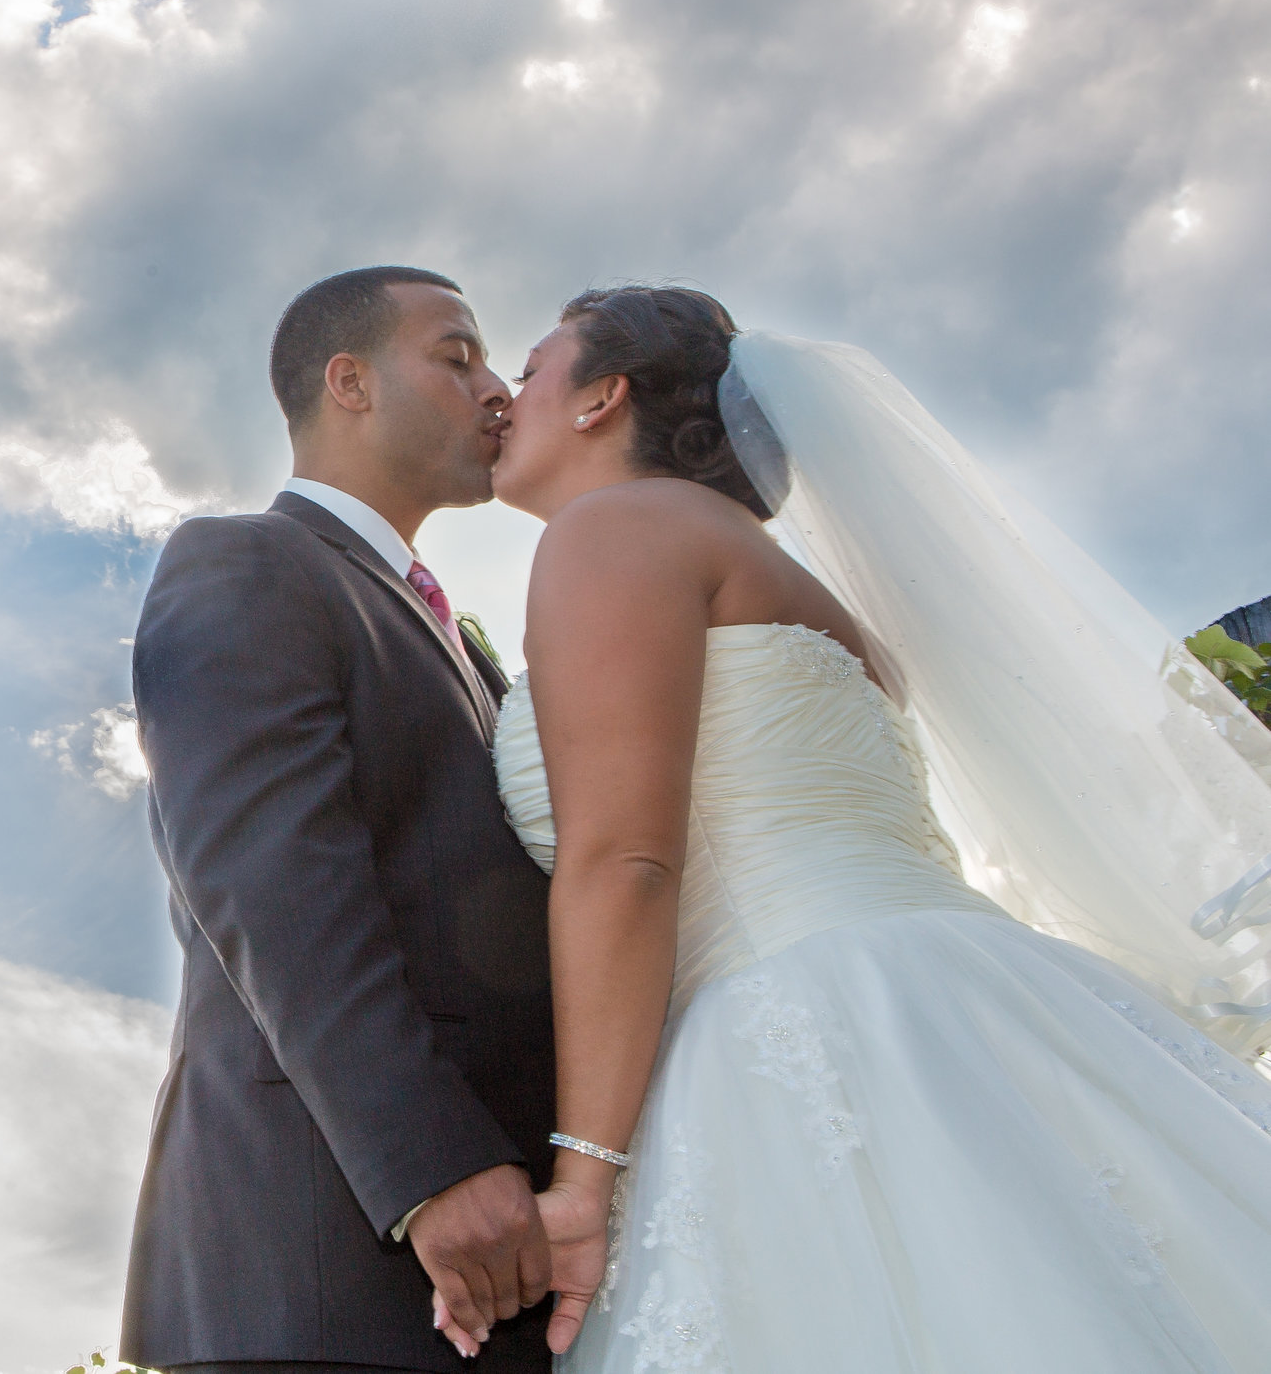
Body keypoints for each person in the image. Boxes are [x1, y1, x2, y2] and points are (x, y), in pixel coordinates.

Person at [491, 286, 1271, 1369]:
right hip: (960, 993)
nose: (502, 395)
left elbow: (626, 859)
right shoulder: (812, 598)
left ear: (601, 398)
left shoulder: (615, 527)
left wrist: (581, 1176)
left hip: (798, 1021)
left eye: (529, 368)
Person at [121, 267, 558, 1374]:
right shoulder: (246, 562)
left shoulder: (467, 642)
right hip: (317, 1263)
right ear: (349, 382)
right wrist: (429, 1166)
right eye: (457, 356)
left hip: (497, 1263)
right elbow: (273, 884)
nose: (496, 388)